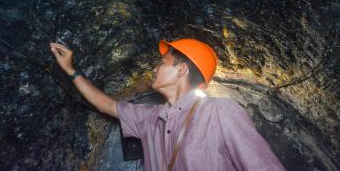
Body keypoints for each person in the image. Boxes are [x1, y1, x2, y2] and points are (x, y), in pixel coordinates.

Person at [50, 38, 285, 171]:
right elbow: (107, 106)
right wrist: (70, 69)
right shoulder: (150, 118)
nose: (154, 68)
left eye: (162, 63)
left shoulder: (220, 112)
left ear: (181, 69)